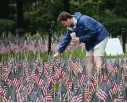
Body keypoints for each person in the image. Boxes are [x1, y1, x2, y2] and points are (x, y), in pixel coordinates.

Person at [53, 11, 109, 77]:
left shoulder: (83, 20)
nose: (64, 25)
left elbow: (93, 33)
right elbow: (66, 39)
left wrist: (80, 39)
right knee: (89, 58)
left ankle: (100, 79)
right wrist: (59, 52)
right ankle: (89, 78)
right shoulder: (71, 27)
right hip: (89, 40)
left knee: (97, 57)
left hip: (100, 37)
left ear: (68, 19)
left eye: (64, 23)